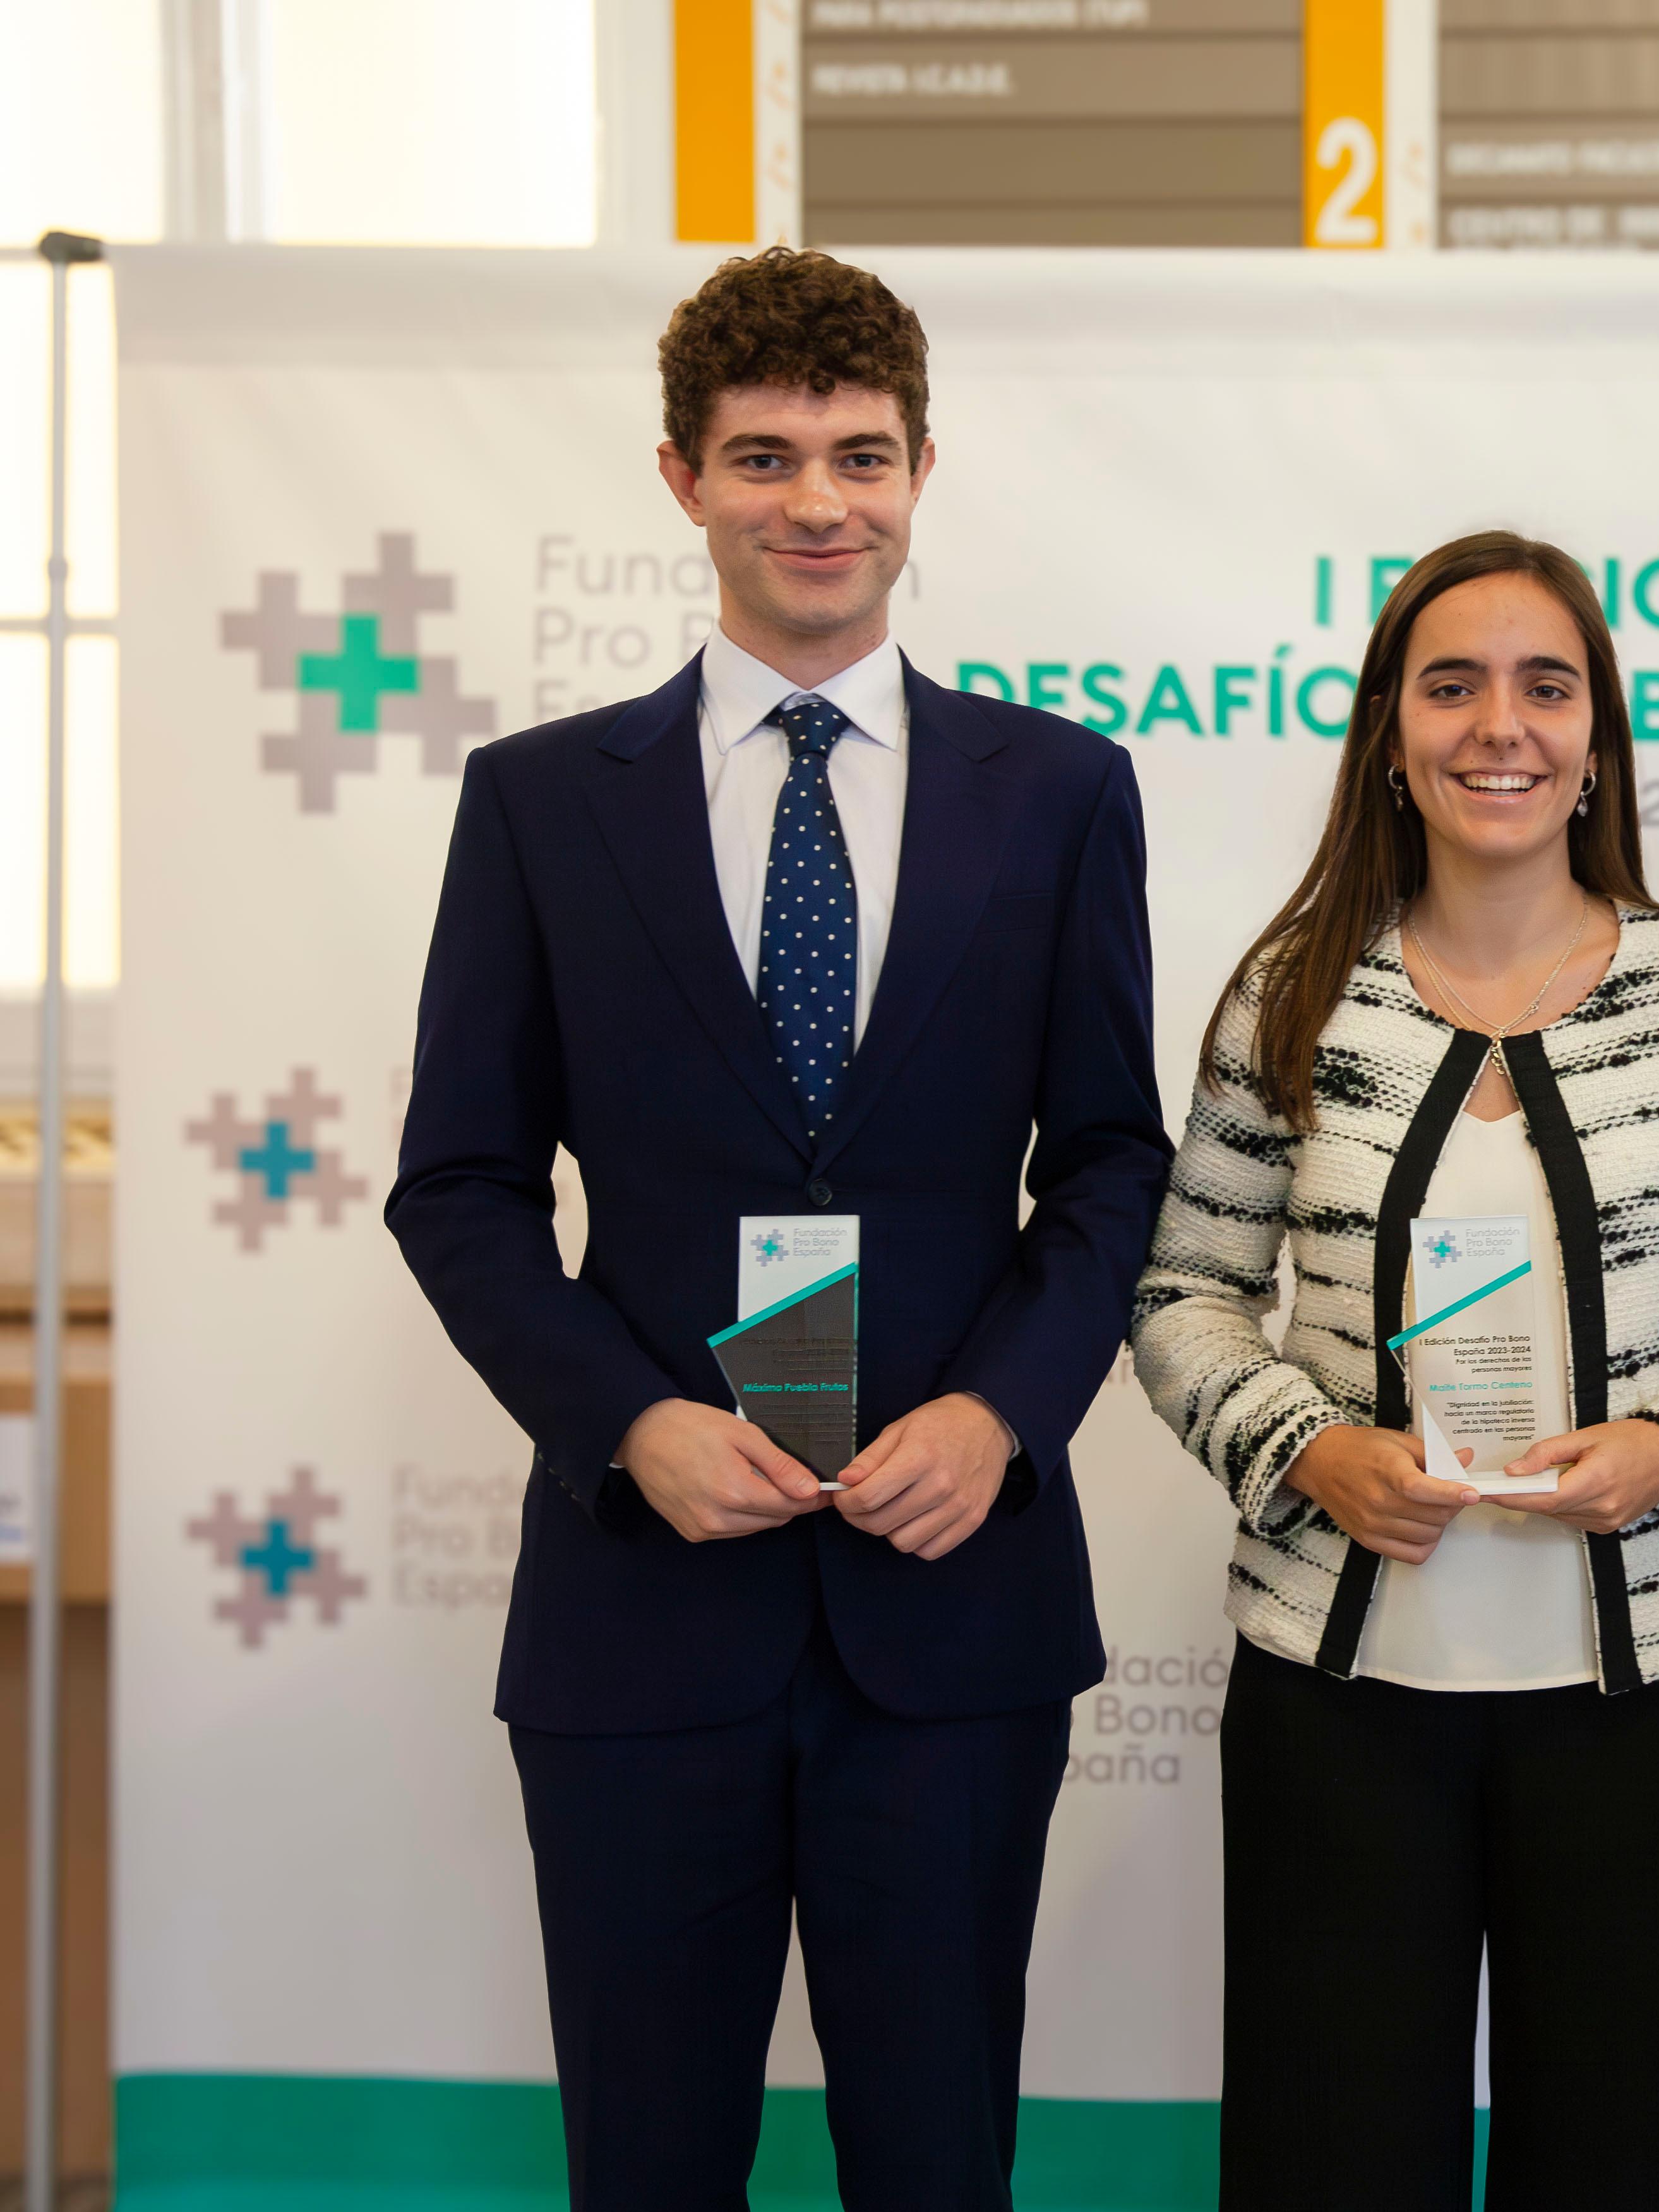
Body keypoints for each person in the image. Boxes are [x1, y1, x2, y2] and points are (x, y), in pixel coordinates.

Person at [387, 248, 1169, 2209]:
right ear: (680, 478)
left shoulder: (1060, 795)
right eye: (763, 457)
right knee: (650, 2171)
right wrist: (624, 1424)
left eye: (858, 454)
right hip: (645, 1613)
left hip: (952, 1609)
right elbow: (458, 1186)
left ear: (921, 471)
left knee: (936, 2167)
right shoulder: (542, 806)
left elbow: (1106, 1166)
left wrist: (999, 1418)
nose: (817, 502)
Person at [1127, 530, 1659, 2210]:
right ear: (1389, 728)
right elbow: (1181, 1293)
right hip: (1335, 1696)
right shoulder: (1294, 994)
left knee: (1626, 2160)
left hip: (1634, 1701)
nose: (1497, 727)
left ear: (1597, 736)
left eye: (1546, 686)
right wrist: (1305, 1447)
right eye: (1450, 685)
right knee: (1329, 2158)